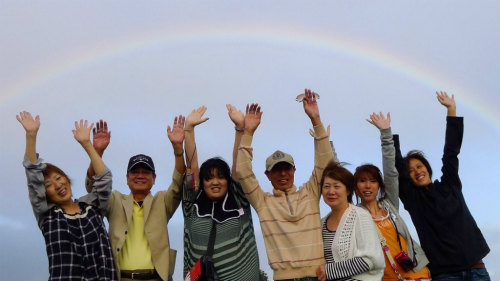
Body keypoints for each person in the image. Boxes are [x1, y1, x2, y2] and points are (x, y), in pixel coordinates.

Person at [236, 89, 335, 281]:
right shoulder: (263, 202)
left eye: (287, 168)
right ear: (267, 175)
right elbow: (243, 171)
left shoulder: (310, 193)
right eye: (276, 170)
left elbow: (326, 164)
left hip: (319, 275)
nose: (283, 173)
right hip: (284, 278)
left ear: (294, 170)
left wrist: (316, 120)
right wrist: (248, 132)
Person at [394, 91, 490, 280]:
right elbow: (398, 172)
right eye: (411, 170)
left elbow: (451, 152)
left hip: (476, 269)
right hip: (445, 275)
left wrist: (451, 110)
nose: (417, 171)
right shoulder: (414, 200)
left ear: (427, 168)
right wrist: (388, 136)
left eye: (419, 166)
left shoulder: (450, 185)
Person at [18, 111, 117, 281]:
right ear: (44, 193)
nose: (58, 185)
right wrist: (31, 135)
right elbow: (33, 175)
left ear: (66, 178)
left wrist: (87, 144)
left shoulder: (92, 206)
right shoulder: (47, 214)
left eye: (58, 178)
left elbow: (104, 179)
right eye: (48, 185)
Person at [85, 117, 186, 281]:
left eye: (145, 172)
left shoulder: (162, 201)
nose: (140, 176)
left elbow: (178, 183)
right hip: (120, 277)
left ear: (154, 178)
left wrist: (177, 148)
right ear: (127, 178)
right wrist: (97, 152)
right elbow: (93, 188)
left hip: (156, 277)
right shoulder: (115, 200)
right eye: (135, 172)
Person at [181, 105, 262, 281]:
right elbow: (192, 170)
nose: (215, 182)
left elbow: (239, 168)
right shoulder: (191, 205)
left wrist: (240, 128)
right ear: (202, 183)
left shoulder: (239, 200)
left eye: (221, 178)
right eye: (209, 178)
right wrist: (189, 129)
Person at [354, 112, 430, 281]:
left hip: (418, 274)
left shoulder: (389, 204)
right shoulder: (354, 214)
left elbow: (390, 172)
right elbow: (336, 181)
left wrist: (386, 134)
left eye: (373, 181)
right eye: (362, 181)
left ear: (379, 186)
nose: (368, 185)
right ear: (356, 187)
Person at [317, 162, 384, 281]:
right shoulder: (321, 224)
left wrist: (329, 271)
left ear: (348, 190)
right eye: (326, 186)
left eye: (337, 186)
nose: (331, 191)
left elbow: (372, 259)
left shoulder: (360, 215)